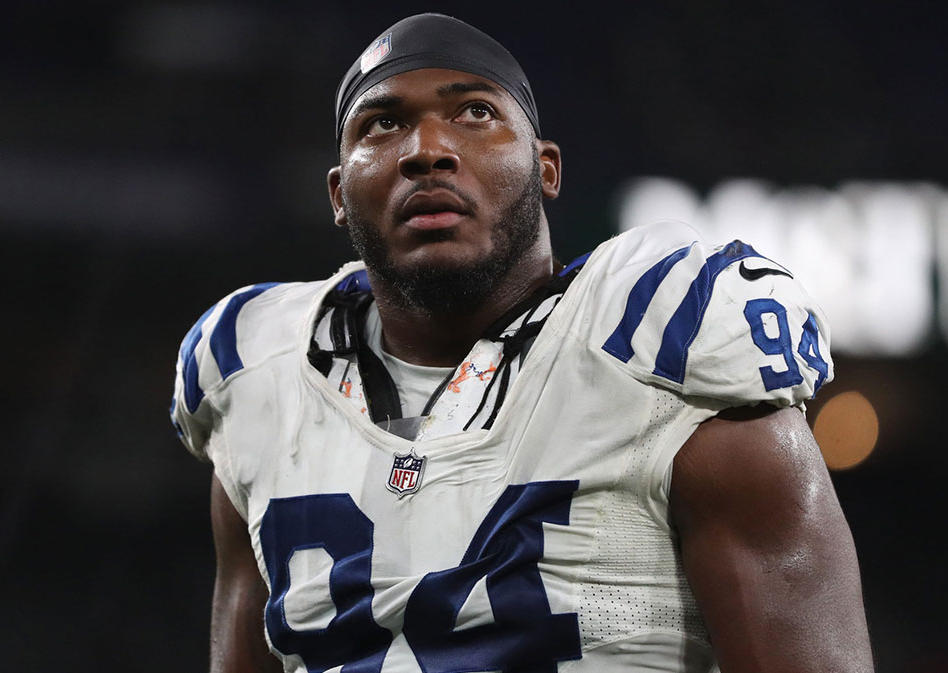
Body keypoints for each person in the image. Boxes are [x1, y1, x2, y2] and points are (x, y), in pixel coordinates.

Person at [170, 13, 873, 673]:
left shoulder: (663, 341)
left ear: (546, 168)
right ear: (337, 192)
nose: (428, 151)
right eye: (382, 124)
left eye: (475, 112)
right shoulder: (255, 377)